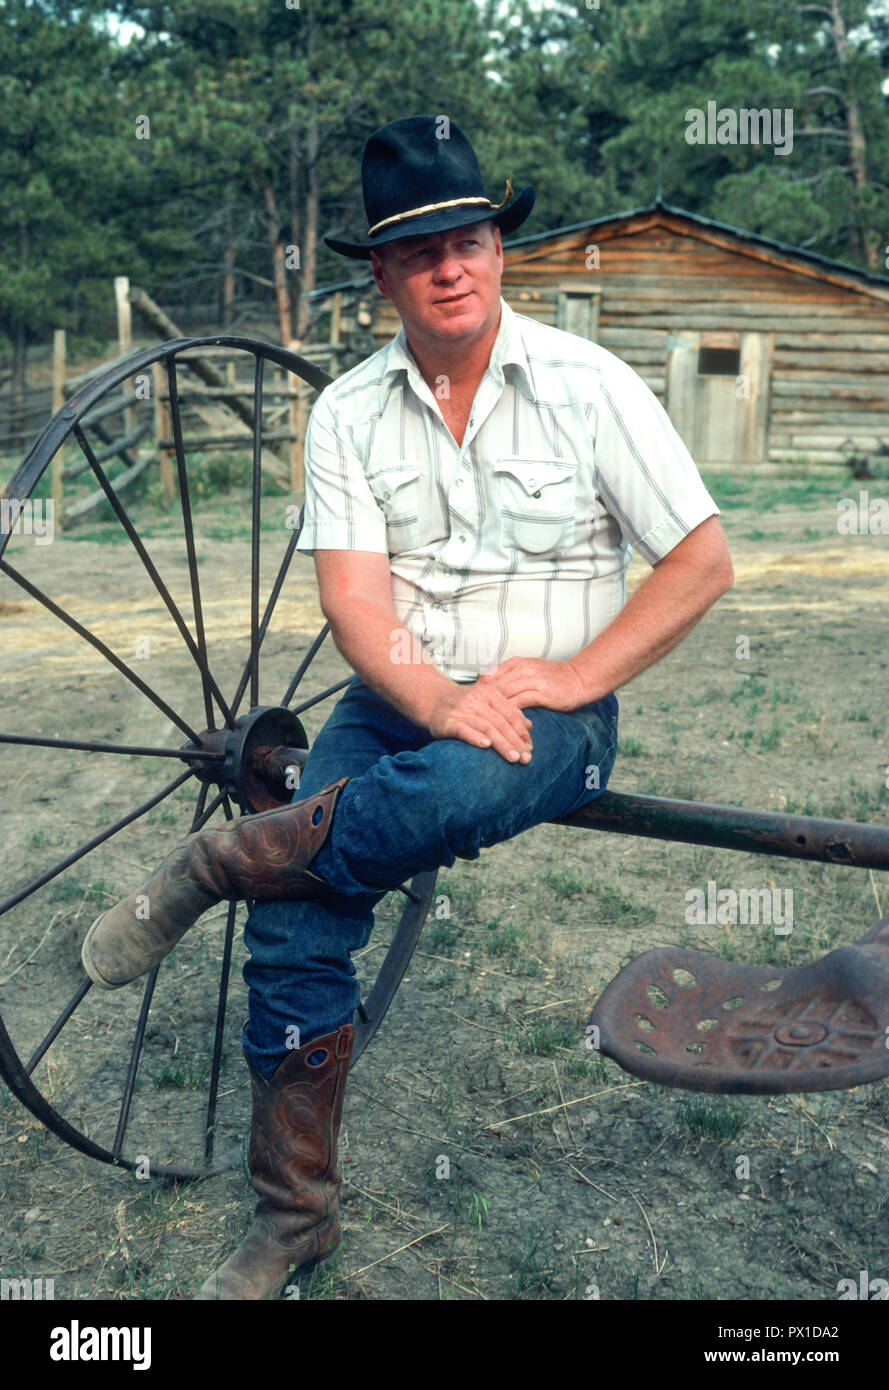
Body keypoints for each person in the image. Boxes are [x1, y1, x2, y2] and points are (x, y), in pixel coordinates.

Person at [81, 114, 734, 1300]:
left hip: (554, 717)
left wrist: (573, 678)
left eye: (470, 238)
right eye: (420, 248)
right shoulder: (347, 414)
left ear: (500, 251)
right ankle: (294, 1218)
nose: (450, 265)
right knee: (295, 925)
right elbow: (351, 598)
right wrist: (433, 693)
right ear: (379, 271)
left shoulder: (591, 388)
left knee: (466, 776)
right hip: (394, 701)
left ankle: (218, 861)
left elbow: (699, 560)